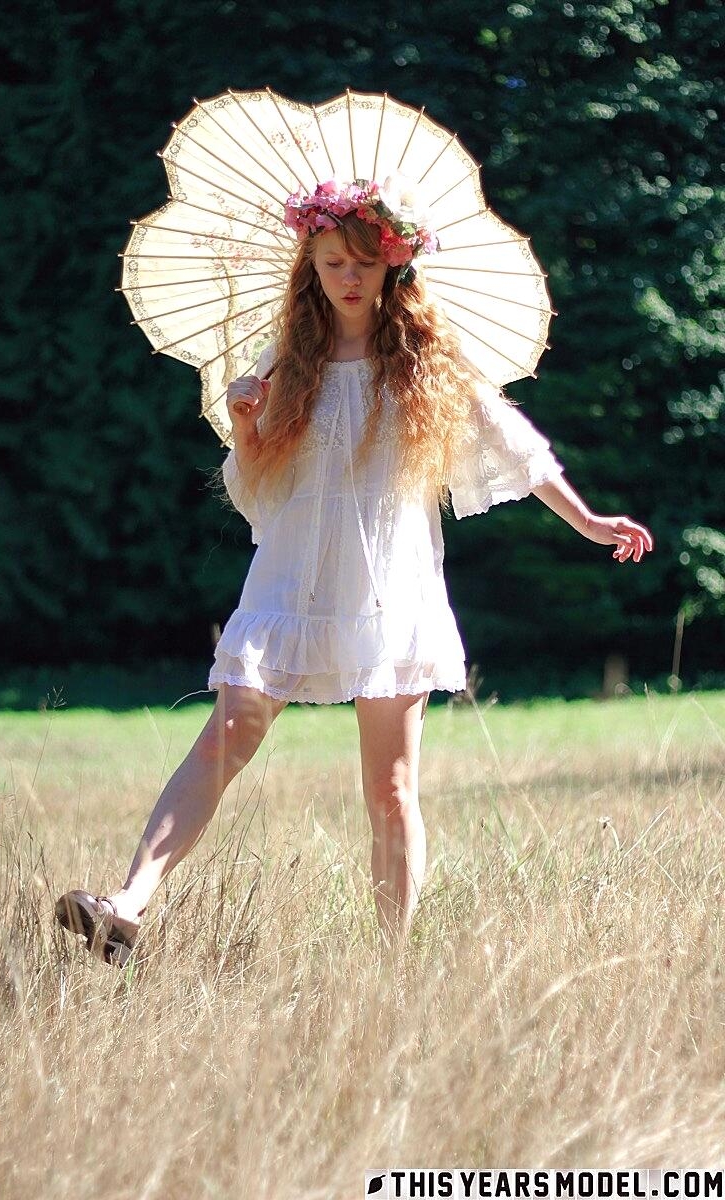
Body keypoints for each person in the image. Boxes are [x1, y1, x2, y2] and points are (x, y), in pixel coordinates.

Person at [55, 178, 653, 965]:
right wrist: (244, 426)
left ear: (392, 267)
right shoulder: (285, 360)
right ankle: (126, 908)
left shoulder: (429, 360)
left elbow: (513, 444)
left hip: (387, 586)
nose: (348, 275)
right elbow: (257, 484)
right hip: (292, 576)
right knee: (222, 740)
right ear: (311, 265)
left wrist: (588, 519)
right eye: (333, 260)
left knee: (391, 787)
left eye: (364, 262)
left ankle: (392, 970)